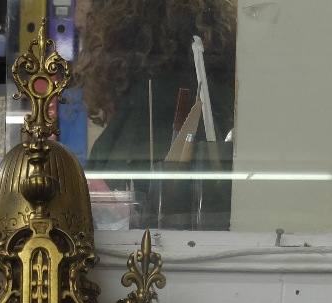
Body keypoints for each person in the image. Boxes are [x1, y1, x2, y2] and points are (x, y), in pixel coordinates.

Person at [73, 0, 237, 228]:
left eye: (85, 33)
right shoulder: (220, 92)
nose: (80, 65)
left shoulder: (151, 105)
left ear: (115, 25)